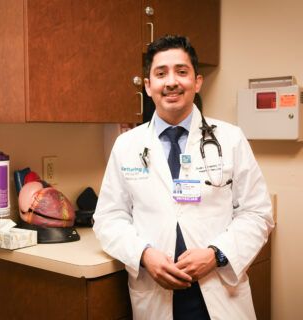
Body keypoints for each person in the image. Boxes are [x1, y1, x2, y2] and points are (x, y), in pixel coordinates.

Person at [93, 35, 274, 319]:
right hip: (156, 293)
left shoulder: (231, 139)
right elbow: (108, 218)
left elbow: (258, 214)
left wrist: (217, 254)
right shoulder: (127, 145)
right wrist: (144, 254)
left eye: (181, 71)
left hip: (219, 288)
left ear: (197, 81)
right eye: (160, 73)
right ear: (148, 85)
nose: (171, 82)